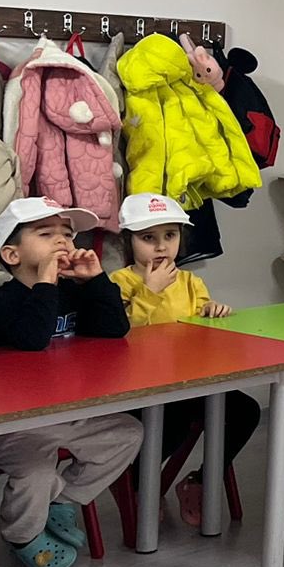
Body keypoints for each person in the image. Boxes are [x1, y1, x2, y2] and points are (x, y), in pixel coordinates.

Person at [0, 197, 143, 567]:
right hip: (13, 422)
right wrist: (46, 283)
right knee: (37, 469)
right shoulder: (1, 300)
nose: (62, 242)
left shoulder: (71, 290)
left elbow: (114, 330)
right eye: (45, 234)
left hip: (64, 412)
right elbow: (32, 339)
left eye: (67, 235)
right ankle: (22, 535)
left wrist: (96, 281)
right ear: (12, 255)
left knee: (127, 433)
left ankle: (63, 500)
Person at [110, 192, 255, 528]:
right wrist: (149, 291)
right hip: (140, 387)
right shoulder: (119, 282)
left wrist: (213, 312)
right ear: (128, 241)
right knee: (173, 419)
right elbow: (121, 333)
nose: (161, 246)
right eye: (148, 238)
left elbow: (202, 332)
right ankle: (138, 483)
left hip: (188, 381)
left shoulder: (191, 282)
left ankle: (200, 481)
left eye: (170, 236)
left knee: (245, 411)